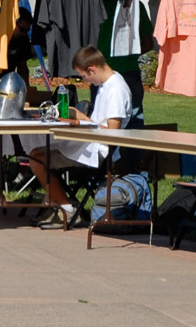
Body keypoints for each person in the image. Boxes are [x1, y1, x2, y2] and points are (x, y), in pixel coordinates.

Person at [24, 45, 131, 228]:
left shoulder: (116, 90)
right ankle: (57, 203)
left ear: (92, 69)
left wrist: (83, 119)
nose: (85, 80)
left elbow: (113, 132)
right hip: (90, 143)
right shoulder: (107, 85)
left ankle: (66, 209)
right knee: (38, 153)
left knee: (38, 158)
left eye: (84, 76)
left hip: (99, 151)